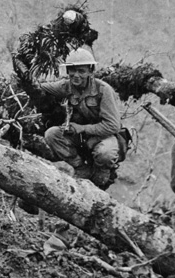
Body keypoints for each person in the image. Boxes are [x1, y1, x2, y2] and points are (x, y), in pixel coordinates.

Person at [36, 47, 122, 189]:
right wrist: (24, 80)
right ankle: (81, 168)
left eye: (81, 71)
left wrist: (82, 128)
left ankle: (102, 172)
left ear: (90, 71)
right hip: (79, 136)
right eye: (72, 70)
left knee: (106, 154)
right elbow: (41, 87)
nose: (76, 75)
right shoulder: (65, 86)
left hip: (102, 135)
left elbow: (113, 126)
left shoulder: (103, 90)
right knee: (52, 134)